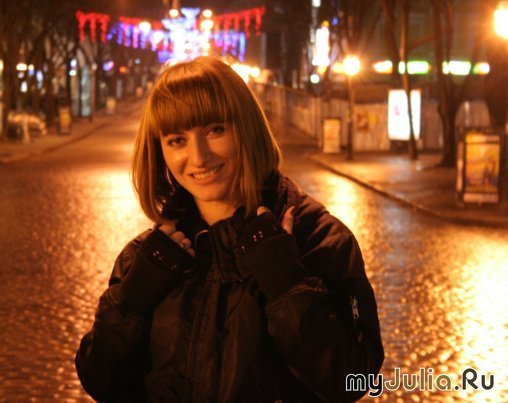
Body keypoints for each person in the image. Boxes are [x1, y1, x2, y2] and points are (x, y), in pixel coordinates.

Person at [75, 57, 384, 402]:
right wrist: (131, 302)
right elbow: (102, 381)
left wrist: (286, 283)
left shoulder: (318, 240)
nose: (199, 157)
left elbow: (353, 378)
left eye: (215, 130)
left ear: (247, 128)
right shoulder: (148, 257)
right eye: (176, 140)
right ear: (159, 150)